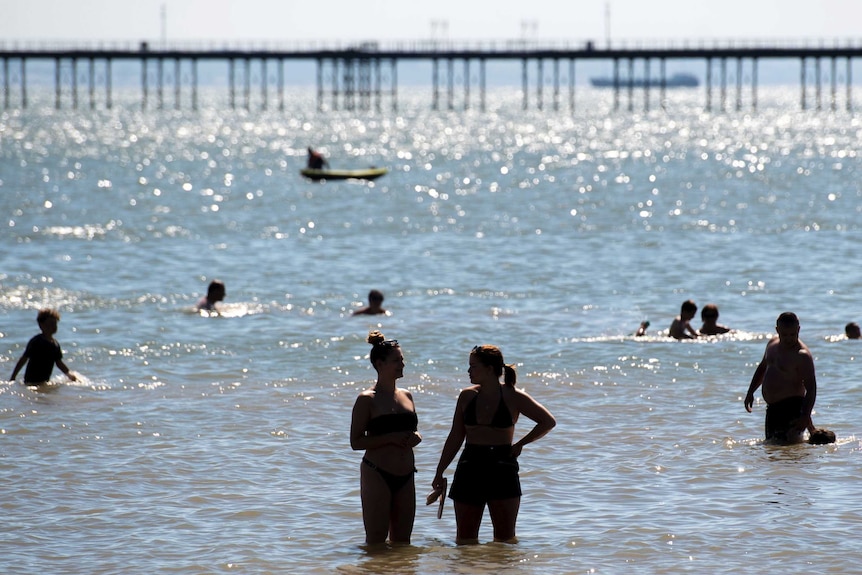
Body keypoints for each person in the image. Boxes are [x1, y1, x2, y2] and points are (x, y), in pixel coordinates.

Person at [432, 345, 556, 544]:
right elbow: (455, 436)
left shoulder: (512, 396)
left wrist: (520, 444)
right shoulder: (467, 396)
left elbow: (547, 421)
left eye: (473, 366)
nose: (469, 371)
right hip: (470, 466)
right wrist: (439, 471)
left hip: (502, 468)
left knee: (505, 540)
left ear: (490, 369)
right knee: (465, 541)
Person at [350, 331, 421, 546]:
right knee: (376, 543)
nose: (402, 364)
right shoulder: (366, 399)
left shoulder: (407, 395)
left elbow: (413, 431)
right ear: (379, 364)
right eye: (396, 361)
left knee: (403, 544)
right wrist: (390, 438)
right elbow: (356, 442)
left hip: (406, 474)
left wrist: (416, 437)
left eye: (402, 360)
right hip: (377, 473)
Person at [744, 312, 817, 444]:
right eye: (784, 335)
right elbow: (762, 368)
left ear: (798, 330)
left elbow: (811, 388)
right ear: (777, 330)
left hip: (792, 408)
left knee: (787, 450)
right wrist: (750, 391)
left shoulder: (802, 355)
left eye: (793, 335)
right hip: (772, 409)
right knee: (772, 449)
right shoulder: (772, 345)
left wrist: (805, 415)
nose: (789, 339)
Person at [10, 308, 77, 385]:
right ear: (41, 325)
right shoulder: (36, 341)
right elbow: (24, 358)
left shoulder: (55, 344)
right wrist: (13, 376)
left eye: (54, 324)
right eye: (49, 324)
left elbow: (59, 363)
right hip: (31, 380)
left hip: (44, 381)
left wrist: (69, 374)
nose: (53, 327)